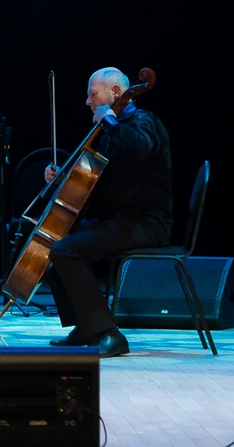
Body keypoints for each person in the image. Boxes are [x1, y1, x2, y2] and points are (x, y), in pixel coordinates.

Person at [40, 67, 173, 358]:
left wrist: (109, 120)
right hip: (120, 220)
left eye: (93, 94)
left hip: (146, 222)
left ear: (115, 92)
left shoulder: (144, 121)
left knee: (66, 251)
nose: (88, 101)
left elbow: (139, 148)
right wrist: (63, 178)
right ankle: (87, 327)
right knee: (54, 246)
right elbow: (95, 180)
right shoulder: (111, 130)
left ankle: (109, 334)